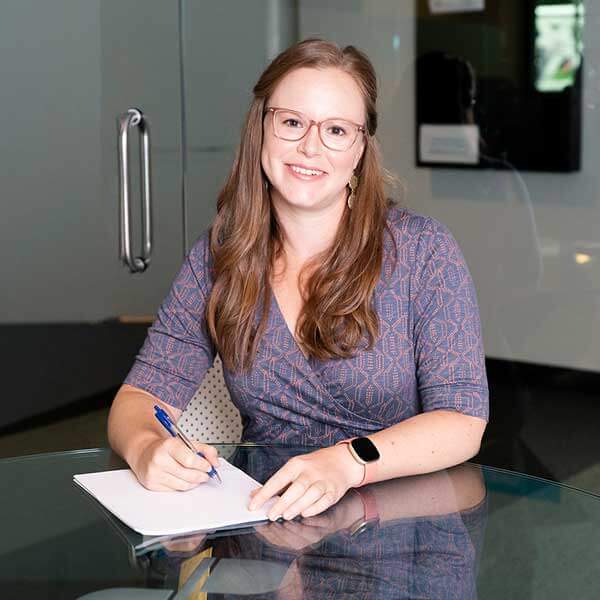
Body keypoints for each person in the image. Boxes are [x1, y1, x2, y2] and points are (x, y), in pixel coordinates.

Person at [107, 38, 488, 523]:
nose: (310, 146)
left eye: (335, 130)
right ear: (261, 129)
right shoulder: (219, 255)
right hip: (271, 525)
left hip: (398, 523)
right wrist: (145, 449)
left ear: (360, 150)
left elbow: (463, 422)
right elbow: (139, 399)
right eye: (292, 122)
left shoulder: (423, 252)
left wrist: (348, 463)